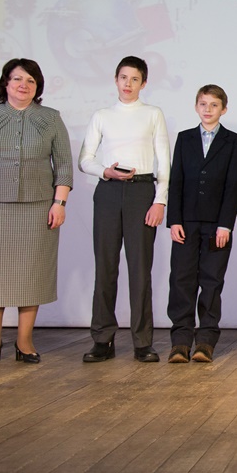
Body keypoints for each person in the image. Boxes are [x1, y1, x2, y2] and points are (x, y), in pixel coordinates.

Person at [0, 58, 72, 364]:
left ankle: (25, 341)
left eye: (31, 81)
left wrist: (59, 203)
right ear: (5, 83)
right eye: (18, 79)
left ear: (38, 86)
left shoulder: (51, 118)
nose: (24, 85)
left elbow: (63, 165)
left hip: (38, 209)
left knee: (32, 274)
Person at [78, 55, 171, 363]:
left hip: (142, 191)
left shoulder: (153, 114)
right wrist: (105, 171)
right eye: (123, 78)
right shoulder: (102, 115)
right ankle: (102, 339)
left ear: (144, 83)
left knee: (140, 270)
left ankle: (143, 342)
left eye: (134, 79)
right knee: (105, 267)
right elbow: (85, 159)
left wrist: (160, 200)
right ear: (115, 80)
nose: (128, 84)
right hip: (108, 191)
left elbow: (164, 160)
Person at [165, 85, 237, 364]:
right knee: (181, 280)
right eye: (203, 104)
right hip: (186, 222)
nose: (208, 109)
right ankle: (180, 342)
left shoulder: (233, 141)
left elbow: (234, 184)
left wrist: (226, 225)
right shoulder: (184, 138)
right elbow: (176, 180)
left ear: (224, 109)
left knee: (211, 281)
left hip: (216, 224)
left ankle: (206, 341)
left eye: (214, 105)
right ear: (196, 106)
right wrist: (174, 220)